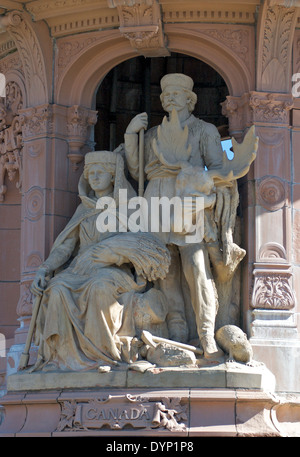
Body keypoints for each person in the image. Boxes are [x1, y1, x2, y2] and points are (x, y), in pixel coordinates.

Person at [30, 150, 170, 371]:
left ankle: (103, 356)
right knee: (56, 288)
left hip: (114, 271)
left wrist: (113, 253)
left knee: (99, 288)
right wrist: (45, 269)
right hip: (81, 269)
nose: (94, 177)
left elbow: (142, 242)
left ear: (113, 176)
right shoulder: (83, 208)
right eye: (90, 173)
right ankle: (61, 359)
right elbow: (66, 246)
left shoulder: (128, 206)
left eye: (100, 172)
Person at [124, 73, 229, 358]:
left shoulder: (204, 130)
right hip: (156, 196)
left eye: (177, 93)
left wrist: (198, 185)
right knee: (165, 271)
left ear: (190, 100)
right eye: (165, 94)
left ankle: (206, 334)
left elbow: (219, 170)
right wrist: (131, 135)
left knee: (195, 267)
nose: (169, 97)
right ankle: (177, 330)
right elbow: (137, 171)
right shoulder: (153, 134)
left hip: (186, 199)